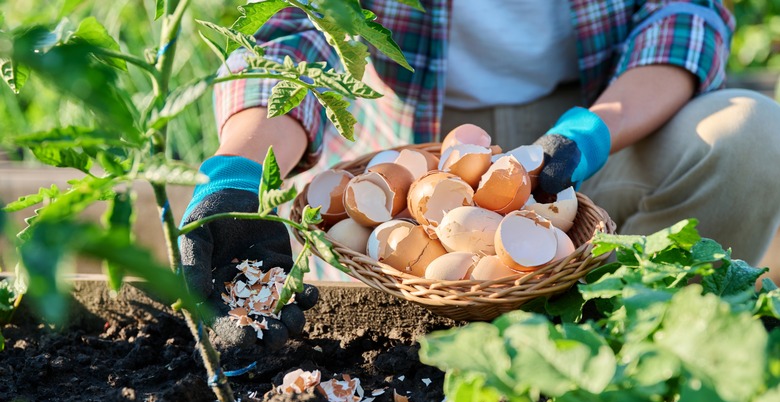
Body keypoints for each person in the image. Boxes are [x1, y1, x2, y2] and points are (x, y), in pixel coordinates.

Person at [180, 0, 780, 351]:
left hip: (601, 115)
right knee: (388, 267)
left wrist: (588, 135)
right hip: (407, 155)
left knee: (750, 137)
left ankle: (645, 360)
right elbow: (296, 32)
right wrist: (239, 172)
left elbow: (683, 14)